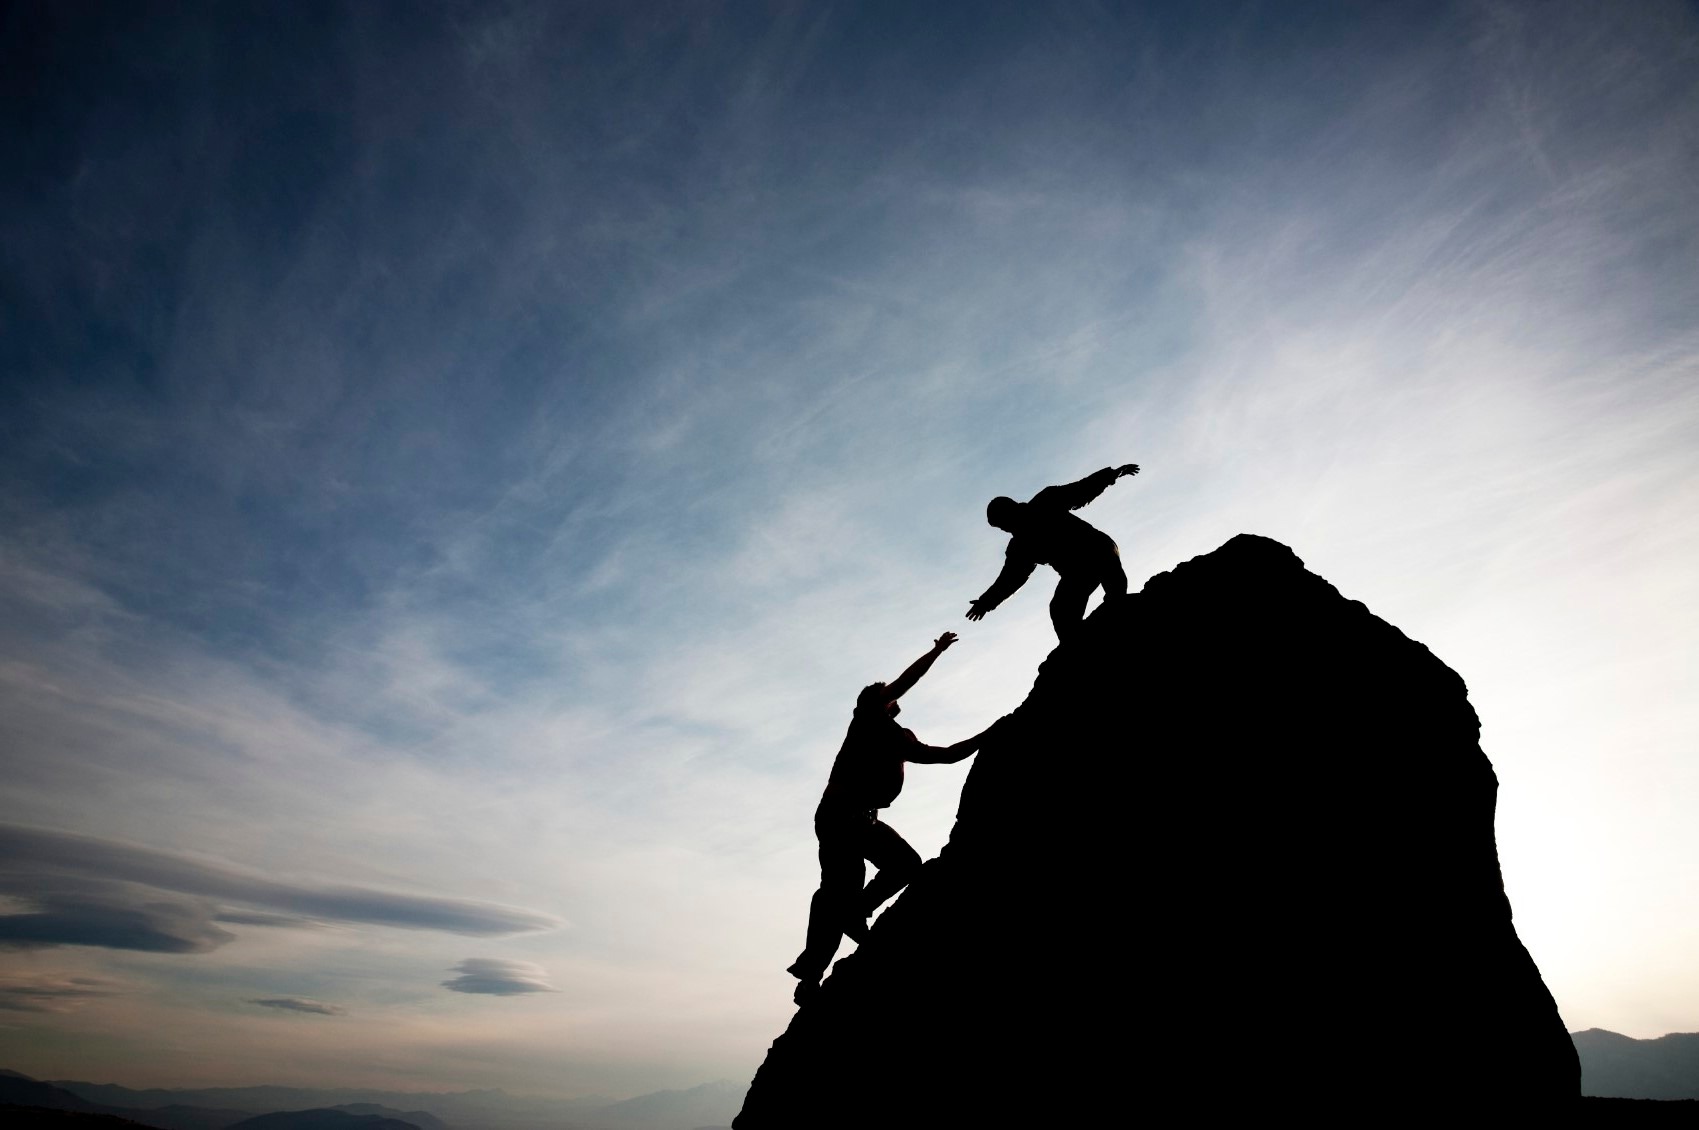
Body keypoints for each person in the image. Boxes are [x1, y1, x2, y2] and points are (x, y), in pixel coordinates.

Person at [787, 631, 988, 1004]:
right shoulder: (867, 719)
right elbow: (908, 682)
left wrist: (988, 736)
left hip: (852, 819)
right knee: (892, 872)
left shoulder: (898, 740)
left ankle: (811, 974)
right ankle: (849, 920)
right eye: (888, 695)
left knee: (840, 896)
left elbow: (944, 755)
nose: (895, 698)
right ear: (878, 701)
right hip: (843, 817)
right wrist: (937, 651)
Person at [967, 463, 1141, 639]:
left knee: (1115, 597)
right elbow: (1010, 579)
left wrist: (1112, 474)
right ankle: (1080, 646)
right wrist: (986, 602)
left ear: (1011, 510)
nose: (1004, 529)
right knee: (1060, 611)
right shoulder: (1020, 547)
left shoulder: (1045, 501)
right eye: (1000, 527)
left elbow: (1081, 489)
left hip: (1098, 550)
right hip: (1078, 571)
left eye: (1002, 523)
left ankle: (1120, 615)